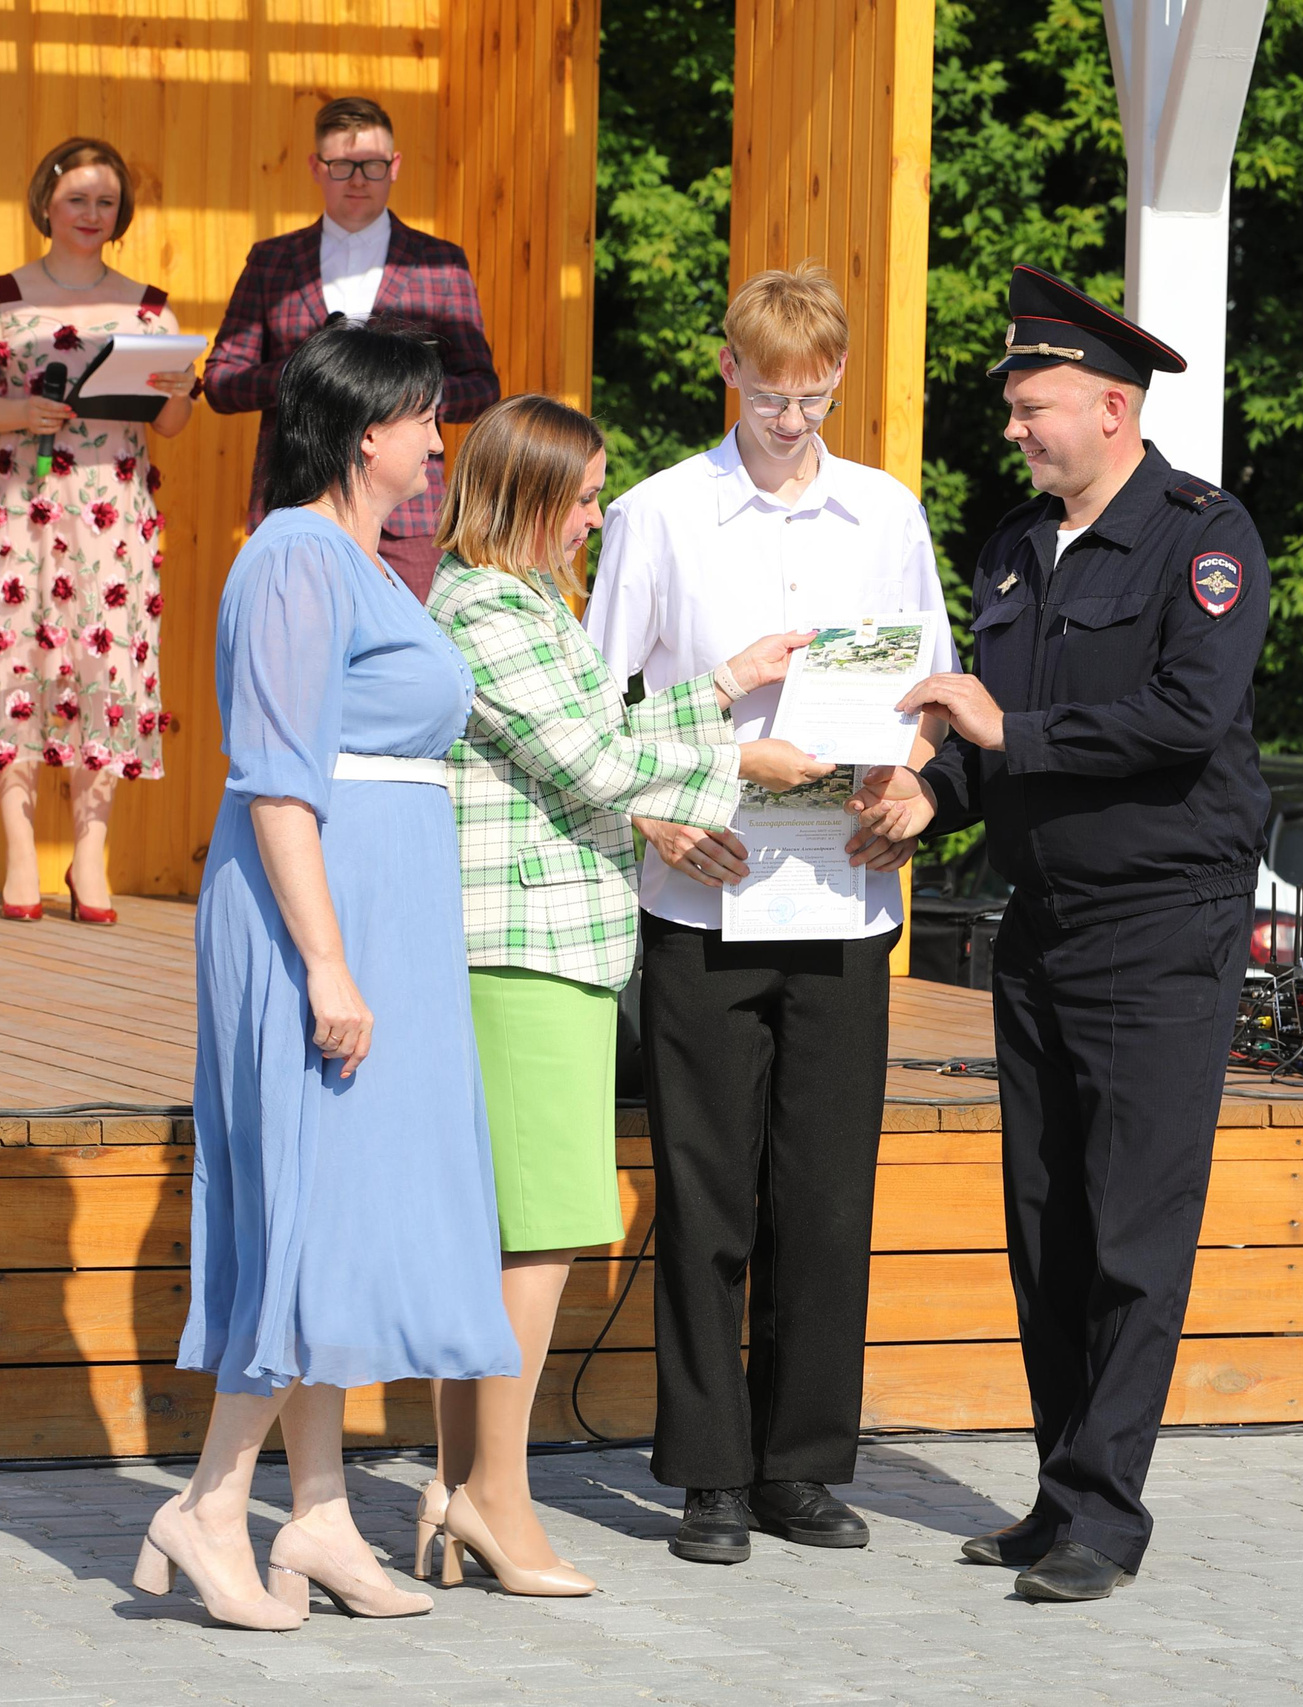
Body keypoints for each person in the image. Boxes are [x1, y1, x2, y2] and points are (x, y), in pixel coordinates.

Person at [865, 266, 1272, 1602]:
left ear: (1112, 405)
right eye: (1013, 409)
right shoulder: (1008, 548)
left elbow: (1183, 717)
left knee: (1131, 1229)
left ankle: (1107, 1509)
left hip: (1162, 925)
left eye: (1034, 406)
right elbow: (992, 740)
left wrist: (1004, 734)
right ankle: (1057, 1488)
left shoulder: (1202, 539)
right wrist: (933, 790)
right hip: (1040, 925)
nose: (1016, 429)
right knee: (1046, 1222)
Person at [415, 395, 832, 1593]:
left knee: (509, 1236)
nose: (597, 518)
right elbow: (596, 764)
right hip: (526, 945)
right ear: (528, 495)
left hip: (549, 942)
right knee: (539, 1235)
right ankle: (497, 1498)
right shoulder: (488, 607)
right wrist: (739, 755)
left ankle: (455, 1493)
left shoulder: (524, 601)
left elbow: (597, 724)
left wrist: (715, 687)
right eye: (584, 497)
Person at [140, 321, 520, 1630]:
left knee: (348, 1207)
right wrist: (326, 965)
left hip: (381, 906)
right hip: (322, 908)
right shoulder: (296, 557)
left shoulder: (361, 561)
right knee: (312, 1203)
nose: (437, 440)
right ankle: (207, 1496)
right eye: (424, 417)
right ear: (370, 427)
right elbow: (278, 777)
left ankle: (315, 1507)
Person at [581, 264, 950, 1567]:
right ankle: (708, 1474)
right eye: (771, 394)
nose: (793, 420)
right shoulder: (663, 514)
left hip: (845, 892)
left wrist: (916, 784)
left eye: (815, 396)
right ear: (729, 371)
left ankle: (802, 1464)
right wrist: (655, 814)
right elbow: (598, 707)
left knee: (825, 1197)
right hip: (707, 887)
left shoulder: (885, 512)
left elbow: (929, 687)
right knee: (705, 1192)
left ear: (837, 378)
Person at [0, 136, 195, 923]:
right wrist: (22, 411)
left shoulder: (150, 305)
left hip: (112, 514)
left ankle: (91, 854)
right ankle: (20, 850)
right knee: (13, 659)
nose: (92, 213)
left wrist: (184, 386)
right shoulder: (2, 295)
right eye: (79, 198)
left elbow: (176, 421)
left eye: (106, 201)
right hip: (19, 506)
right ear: (47, 199)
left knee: (103, 672)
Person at [203, 96, 500, 603]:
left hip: (409, 512)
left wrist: (399, 397)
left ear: (395, 166)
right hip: (299, 497)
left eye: (373, 165)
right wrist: (313, 375)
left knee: (411, 655)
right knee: (295, 647)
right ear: (316, 167)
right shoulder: (273, 260)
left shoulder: (439, 262)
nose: (358, 179)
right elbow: (220, 381)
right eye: (342, 166)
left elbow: (481, 387)